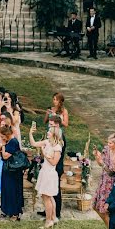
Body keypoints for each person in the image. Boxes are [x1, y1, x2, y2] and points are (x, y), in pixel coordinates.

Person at [30, 122, 62, 229]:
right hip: (44, 172)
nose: (47, 132)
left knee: (46, 197)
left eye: (49, 131)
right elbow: (34, 144)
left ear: (54, 134)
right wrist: (30, 133)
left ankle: (49, 221)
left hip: (50, 174)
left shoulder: (57, 147)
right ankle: (53, 217)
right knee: (49, 196)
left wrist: (44, 154)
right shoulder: (47, 142)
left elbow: (54, 162)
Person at [42, 92, 69, 220]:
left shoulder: (60, 140)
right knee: (47, 186)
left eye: (56, 99)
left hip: (55, 163)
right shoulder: (50, 110)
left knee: (54, 187)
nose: (54, 101)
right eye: (53, 99)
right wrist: (48, 115)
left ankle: (56, 212)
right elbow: (45, 121)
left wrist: (58, 118)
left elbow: (66, 124)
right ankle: (48, 209)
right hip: (50, 139)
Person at [92, 133, 115, 229]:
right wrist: (98, 157)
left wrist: (103, 164)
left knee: (105, 210)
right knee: (96, 207)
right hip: (103, 182)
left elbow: (111, 172)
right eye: (108, 142)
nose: (108, 144)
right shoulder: (107, 150)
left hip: (111, 184)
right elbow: (101, 164)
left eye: (110, 143)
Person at [0, 125, 24, 220]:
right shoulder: (7, 141)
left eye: (2, 136)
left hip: (13, 171)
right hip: (6, 169)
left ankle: (15, 213)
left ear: (6, 134)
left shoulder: (13, 142)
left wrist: (3, 146)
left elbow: (5, 156)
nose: (1, 138)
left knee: (12, 191)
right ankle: (5, 210)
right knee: (5, 190)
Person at [0, 110, 12, 199]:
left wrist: (1, 146)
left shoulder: (10, 134)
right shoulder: (1, 131)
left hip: (5, 156)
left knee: (2, 172)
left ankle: (0, 190)